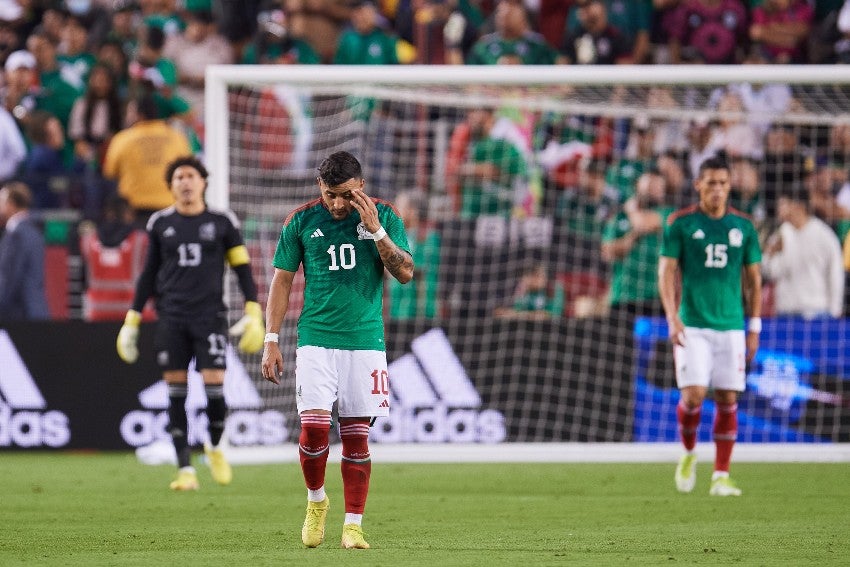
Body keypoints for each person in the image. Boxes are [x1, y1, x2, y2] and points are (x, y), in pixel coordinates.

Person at [260, 151, 413, 550]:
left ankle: (354, 525)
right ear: (319, 188)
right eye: (330, 195)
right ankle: (316, 501)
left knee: (357, 438)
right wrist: (271, 339)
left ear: (360, 186)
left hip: (365, 342)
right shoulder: (301, 220)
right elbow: (281, 282)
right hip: (315, 339)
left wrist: (377, 231)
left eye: (346, 194)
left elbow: (405, 274)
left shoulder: (385, 215)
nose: (338, 204)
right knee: (312, 430)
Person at [116, 156, 266, 491]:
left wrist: (254, 310)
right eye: (179, 177)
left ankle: (214, 446)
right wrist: (133, 319)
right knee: (175, 393)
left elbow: (242, 269)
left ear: (203, 182)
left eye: (191, 176)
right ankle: (185, 468)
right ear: (170, 186)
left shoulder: (222, 221)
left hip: (210, 316)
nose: (185, 182)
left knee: (214, 386)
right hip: (171, 317)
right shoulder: (159, 223)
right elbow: (148, 275)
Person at [658, 156, 762, 497]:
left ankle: (720, 476)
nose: (717, 189)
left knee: (728, 396)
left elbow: (754, 281)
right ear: (698, 186)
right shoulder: (680, 224)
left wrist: (754, 326)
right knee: (694, 395)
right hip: (693, 324)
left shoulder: (744, 227)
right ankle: (688, 453)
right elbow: (667, 272)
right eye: (711, 183)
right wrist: (673, 316)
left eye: (723, 183)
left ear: (730, 186)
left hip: (731, 325)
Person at [761, 184, 844, 319]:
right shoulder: (781, 234)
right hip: (785, 312)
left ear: (798, 205)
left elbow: (835, 274)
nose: (779, 209)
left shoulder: (824, 236)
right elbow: (770, 273)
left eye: (783, 204)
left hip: (817, 312)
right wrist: (770, 253)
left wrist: (835, 311)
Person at [79, 195, 152, 322]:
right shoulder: (141, 241)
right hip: (135, 315)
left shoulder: (88, 241)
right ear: (129, 214)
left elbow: (83, 281)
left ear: (108, 213)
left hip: (97, 314)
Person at [0, 181, 50, 321]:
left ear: (11, 204)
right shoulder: (34, 231)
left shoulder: (17, 234)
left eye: (1, 201)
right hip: (35, 312)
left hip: (20, 315)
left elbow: (10, 278)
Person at [493, 261, 564, 320]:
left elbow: (549, 315)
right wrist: (506, 312)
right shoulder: (523, 288)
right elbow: (517, 309)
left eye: (538, 276)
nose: (525, 279)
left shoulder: (553, 288)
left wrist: (517, 314)